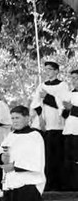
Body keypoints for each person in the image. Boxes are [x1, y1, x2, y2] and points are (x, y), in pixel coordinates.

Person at [30, 61, 70, 191]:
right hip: (44, 124)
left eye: (50, 69)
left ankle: (58, 184)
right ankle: (46, 183)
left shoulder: (63, 85)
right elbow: (36, 103)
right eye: (46, 69)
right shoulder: (42, 85)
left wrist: (47, 97)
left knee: (57, 155)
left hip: (57, 124)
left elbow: (63, 105)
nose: (48, 72)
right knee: (45, 155)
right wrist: (40, 119)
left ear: (57, 71)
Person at [62, 69, 78, 190]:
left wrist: (72, 108)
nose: (73, 81)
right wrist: (67, 109)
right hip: (69, 130)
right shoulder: (69, 94)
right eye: (72, 78)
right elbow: (64, 114)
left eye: (76, 78)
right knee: (69, 159)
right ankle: (70, 186)